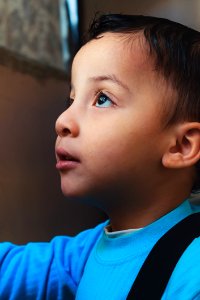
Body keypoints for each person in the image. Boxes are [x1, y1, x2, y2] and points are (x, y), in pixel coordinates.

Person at [0, 14, 200, 299]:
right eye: (72, 99)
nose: (62, 121)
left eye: (102, 98)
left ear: (180, 146)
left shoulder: (192, 271)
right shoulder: (90, 250)